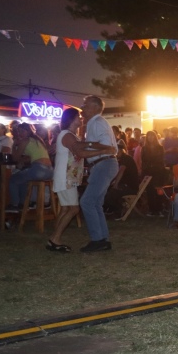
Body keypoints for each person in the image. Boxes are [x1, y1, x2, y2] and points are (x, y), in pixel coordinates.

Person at [48, 108, 113, 252]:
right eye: (78, 116)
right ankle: (55, 239)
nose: (81, 118)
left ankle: (53, 239)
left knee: (66, 209)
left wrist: (98, 145)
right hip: (65, 178)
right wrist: (103, 150)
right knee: (73, 208)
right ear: (71, 119)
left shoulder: (72, 135)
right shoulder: (66, 135)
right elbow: (80, 152)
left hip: (68, 177)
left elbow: (84, 145)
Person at [79, 95, 119, 252]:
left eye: (85, 105)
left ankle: (98, 240)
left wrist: (84, 144)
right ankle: (102, 239)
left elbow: (106, 145)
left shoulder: (96, 122)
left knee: (87, 202)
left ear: (96, 107)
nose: (82, 108)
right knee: (95, 203)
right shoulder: (95, 122)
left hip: (104, 164)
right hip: (105, 164)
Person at [5, 123, 53, 213]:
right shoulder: (38, 140)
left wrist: (14, 145)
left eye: (22, 131)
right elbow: (32, 157)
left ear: (28, 131)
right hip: (49, 170)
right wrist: (23, 161)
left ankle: (14, 205)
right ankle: (23, 204)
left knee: (13, 179)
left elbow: (15, 157)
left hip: (39, 169)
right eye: (19, 132)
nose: (20, 134)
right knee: (23, 179)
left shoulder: (25, 141)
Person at [104, 140, 140, 217]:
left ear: (121, 150)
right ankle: (110, 210)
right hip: (125, 185)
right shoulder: (120, 159)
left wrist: (115, 184)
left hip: (130, 187)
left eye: (117, 151)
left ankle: (118, 211)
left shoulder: (126, 158)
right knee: (107, 190)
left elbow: (121, 171)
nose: (116, 153)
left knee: (113, 193)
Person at [141, 131, 167, 216]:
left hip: (158, 171)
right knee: (150, 191)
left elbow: (161, 160)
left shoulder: (160, 148)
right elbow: (143, 160)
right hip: (148, 171)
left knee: (158, 190)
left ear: (155, 137)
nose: (150, 138)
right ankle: (152, 209)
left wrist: (154, 164)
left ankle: (159, 209)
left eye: (152, 136)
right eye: (149, 136)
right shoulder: (144, 148)